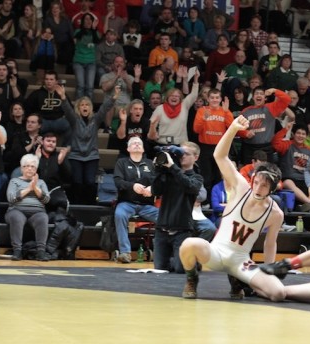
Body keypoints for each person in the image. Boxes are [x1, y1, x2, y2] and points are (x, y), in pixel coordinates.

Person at [179, 115, 285, 300]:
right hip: (216, 253)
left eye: (264, 186)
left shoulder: (275, 213)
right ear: (252, 179)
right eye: (257, 182)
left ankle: (237, 280)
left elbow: (270, 243)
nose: (258, 189)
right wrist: (233, 128)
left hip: (241, 261)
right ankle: (192, 278)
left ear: (273, 189)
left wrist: (270, 270)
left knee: (277, 293)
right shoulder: (241, 187)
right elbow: (219, 155)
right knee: (188, 244)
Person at [58, 82, 119, 205]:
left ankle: (90, 206)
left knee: (90, 182)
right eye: (82, 105)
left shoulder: (95, 120)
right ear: (79, 108)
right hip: (76, 156)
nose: (84, 107)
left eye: (87, 105)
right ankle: (75, 205)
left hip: (91, 156)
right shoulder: (74, 120)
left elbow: (104, 109)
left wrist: (114, 97)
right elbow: (68, 110)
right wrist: (63, 97)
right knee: (77, 182)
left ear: (90, 108)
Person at [150, 141, 203, 273]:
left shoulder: (197, 178)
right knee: (160, 269)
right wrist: (158, 170)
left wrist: (173, 167)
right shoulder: (169, 175)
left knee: (181, 270)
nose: (182, 156)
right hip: (162, 228)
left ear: (195, 157)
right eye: (180, 153)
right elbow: (156, 191)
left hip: (182, 230)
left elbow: (189, 186)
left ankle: (193, 261)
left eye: (186, 154)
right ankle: (179, 259)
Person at [113, 137, 159, 264]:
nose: (137, 144)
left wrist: (152, 189)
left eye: (139, 143)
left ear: (143, 148)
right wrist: (132, 186)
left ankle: (161, 250)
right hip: (127, 203)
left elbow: (159, 182)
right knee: (119, 214)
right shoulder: (121, 163)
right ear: (128, 149)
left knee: (164, 217)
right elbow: (118, 181)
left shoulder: (151, 164)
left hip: (147, 205)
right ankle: (125, 252)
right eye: (133, 143)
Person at [5, 154, 50, 261]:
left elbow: (46, 199)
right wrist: (29, 188)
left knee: (43, 218)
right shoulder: (14, 181)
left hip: (37, 211)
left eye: (33, 166)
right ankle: (17, 251)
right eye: (27, 166)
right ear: (21, 168)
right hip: (16, 210)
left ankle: (41, 252)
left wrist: (35, 187)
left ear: (36, 169)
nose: (30, 168)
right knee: (17, 218)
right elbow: (11, 198)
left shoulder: (41, 182)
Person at [35, 132, 71, 213]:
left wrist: (61, 163)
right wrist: (37, 160)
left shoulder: (59, 156)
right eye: (48, 141)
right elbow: (30, 175)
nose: (51, 143)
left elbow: (68, 177)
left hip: (55, 189)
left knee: (62, 203)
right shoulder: (35, 155)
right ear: (42, 142)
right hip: (37, 188)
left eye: (53, 142)